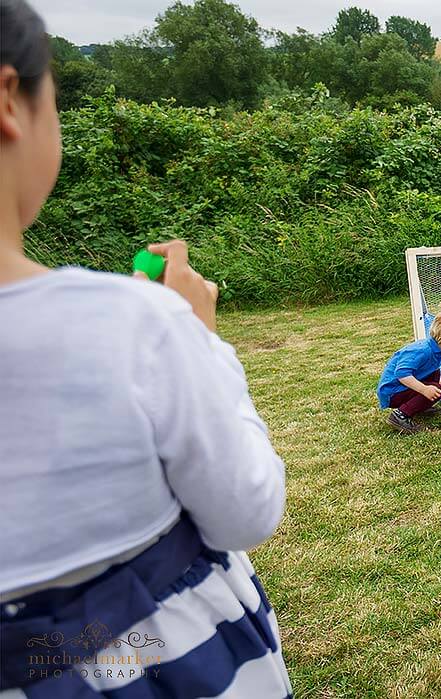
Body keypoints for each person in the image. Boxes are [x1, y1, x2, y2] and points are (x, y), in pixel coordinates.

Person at [0, 2, 291, 695]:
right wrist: (195, 333)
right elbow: (247, 509)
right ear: (10, 101)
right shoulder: (139, 322)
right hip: (163, 667)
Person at [378, 303, 441, 434]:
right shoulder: (423, 351)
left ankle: (419, 407)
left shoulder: (437, 351)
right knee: (435, 388)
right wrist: (424, 389)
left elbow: (433, 377)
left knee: (435, 374)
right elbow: (401, 374)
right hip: (392, 392)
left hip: (402, 388)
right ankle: (400, 415)